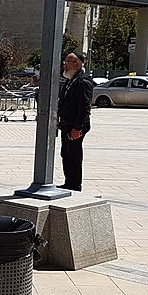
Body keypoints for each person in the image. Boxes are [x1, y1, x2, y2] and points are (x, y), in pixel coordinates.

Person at [56, 52, 94, 192]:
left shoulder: (83, 81)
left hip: (75, 127)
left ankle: (75, 185)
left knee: (74, 156)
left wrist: (78, 128)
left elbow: (85, 107)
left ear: (77, 64)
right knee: (66, 154)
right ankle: (68, 182)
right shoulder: (71, 79)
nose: (64, 65)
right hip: (67, 125)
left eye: (67, 62)